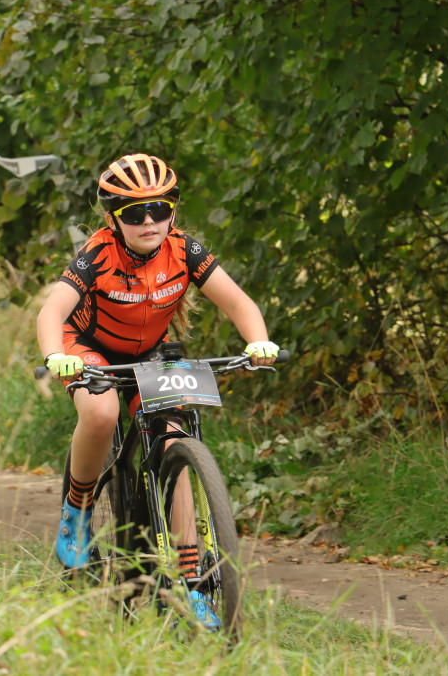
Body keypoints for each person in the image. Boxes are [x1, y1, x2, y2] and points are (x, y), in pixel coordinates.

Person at [36, 153, 279, 629]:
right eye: (133, 212)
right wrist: (53, 355)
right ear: (113, 217)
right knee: (102, 415)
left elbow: (238, 301)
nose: (149, 221)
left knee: (174, 435)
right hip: (85, 347)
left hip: (150, 349)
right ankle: (78, 510)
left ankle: (191, 573)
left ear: (173, 210)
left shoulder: (185, 250)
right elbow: (52, 312)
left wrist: (258, 340)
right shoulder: (97, 254)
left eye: (160, 209)